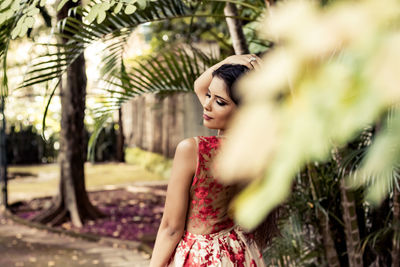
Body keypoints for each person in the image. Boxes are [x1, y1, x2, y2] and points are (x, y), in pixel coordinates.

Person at [149, 54, 275, 267]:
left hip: (202, 257)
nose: (206, 105)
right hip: (239, 252)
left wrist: (232, 60)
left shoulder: (193, 150)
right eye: (209, 95)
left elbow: (171, 228)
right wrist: (233, 62)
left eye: (219, 102)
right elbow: (200, 85)